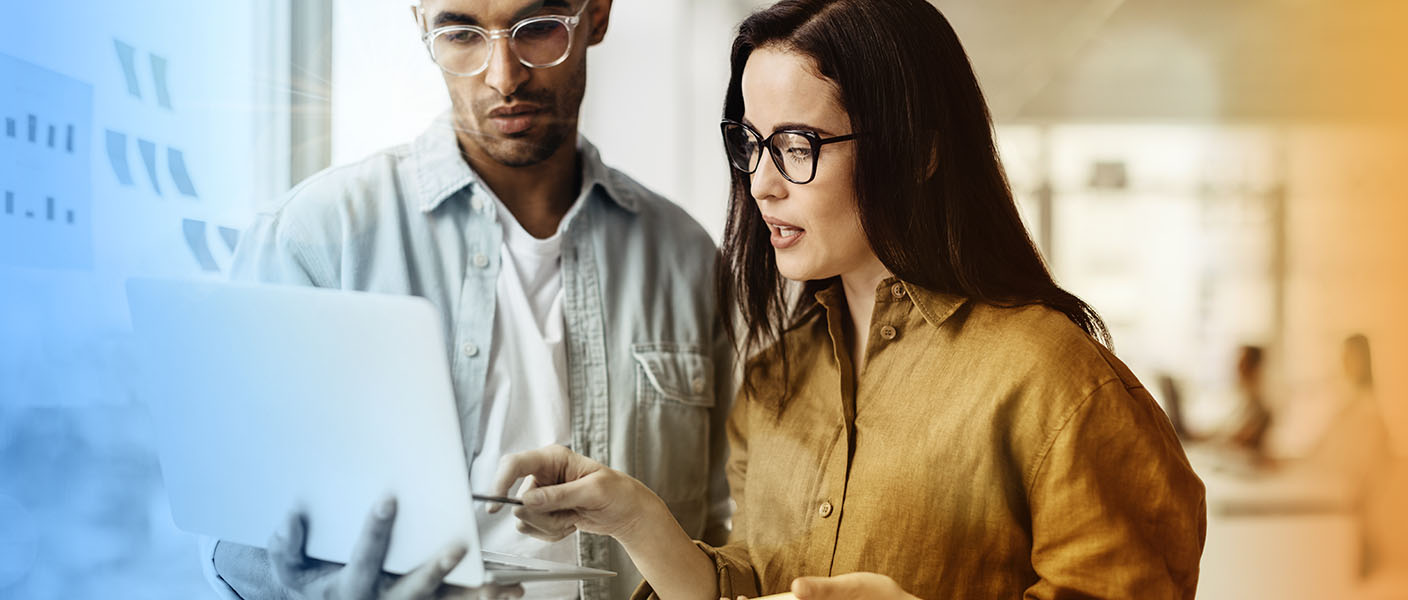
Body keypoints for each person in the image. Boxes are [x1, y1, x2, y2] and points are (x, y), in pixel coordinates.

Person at [485, 1, 1207, 598]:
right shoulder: (775, 379)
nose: (762, 183)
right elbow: (759, 582)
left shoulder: (1054, 377)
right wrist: (636, 520)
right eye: (752, 144)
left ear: (919, 151)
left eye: (798, 145)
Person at [211, 1, 733, 599]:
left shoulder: (689, 260)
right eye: (460, 34)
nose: (503, 76)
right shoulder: (312, 241)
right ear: (421, 27)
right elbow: (237, 540)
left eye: (537, 28)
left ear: (597, 15)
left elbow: (723, 531)